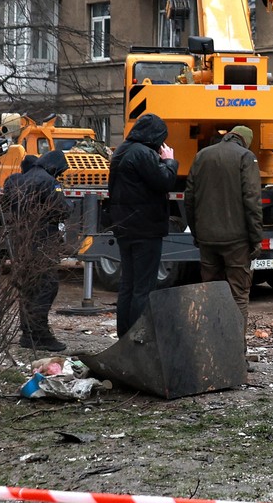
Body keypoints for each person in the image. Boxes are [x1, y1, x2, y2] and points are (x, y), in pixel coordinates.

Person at [108, 113, 178, 336]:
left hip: (124, 226)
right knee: (144, 287)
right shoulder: (142, 153)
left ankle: (125, 337)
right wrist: (169, 160)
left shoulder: (122, 150)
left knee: (128, 285)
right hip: (145, 228)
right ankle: (139, 338)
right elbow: (165, 181)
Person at [186, 125, 263, 322]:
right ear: (245, 141)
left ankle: (213, 340)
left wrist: (196, 233)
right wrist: (256, 239)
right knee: (238, 295)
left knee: (211, 293)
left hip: (207, 238)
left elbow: (189, 198)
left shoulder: (202, 155)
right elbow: (252, 200)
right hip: (236, 241)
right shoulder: (245, 156)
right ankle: (235, 341)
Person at [3, 149, 71, 351]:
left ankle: (28, 332)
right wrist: (69, 207)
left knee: (29, 287)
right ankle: (40, 334)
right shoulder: (49, 182)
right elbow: (61, 209)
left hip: (21, 240)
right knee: (46, 286)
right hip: (42, 240)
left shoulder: (19, 180)